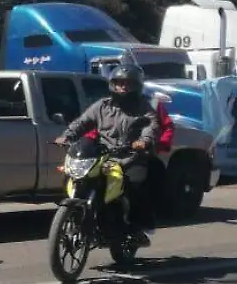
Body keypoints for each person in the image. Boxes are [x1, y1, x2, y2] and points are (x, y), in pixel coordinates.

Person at [55, 57, 160, 244]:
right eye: (119, 83)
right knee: (73, 177)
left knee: (134, 186)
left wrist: (144, 141)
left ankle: (135, 228)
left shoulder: (144, 108)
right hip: (102, 157)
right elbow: (82, 122)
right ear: (112, 85)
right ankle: (77, 216)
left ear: (136, 86)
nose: (123, 88)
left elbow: (151, 127)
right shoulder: (102, 106)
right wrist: (67, 136)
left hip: (130, 158)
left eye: (127, 84)